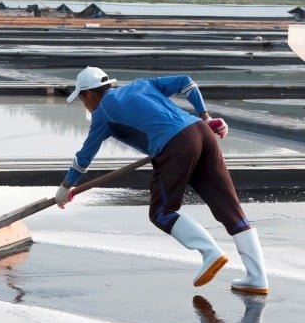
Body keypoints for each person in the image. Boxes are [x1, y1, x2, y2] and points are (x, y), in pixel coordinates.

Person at [56, 67, 269, 294]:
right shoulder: (141, 84)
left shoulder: (102, 113)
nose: (84, 104)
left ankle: (210, 252)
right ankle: (257, 278)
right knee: (230, 209)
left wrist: (66, 187)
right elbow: (187, 82)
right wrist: (206, 117)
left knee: (162, 212)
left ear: (90, 94)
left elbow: (84, 158)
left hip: (176, 146)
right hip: (201, 132)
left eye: (81, 99)